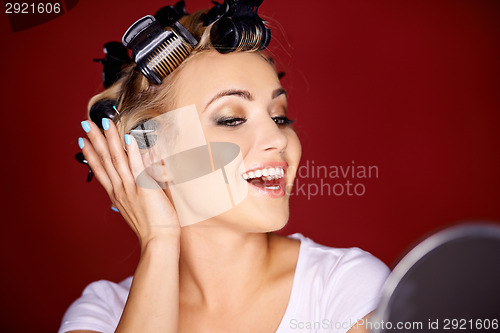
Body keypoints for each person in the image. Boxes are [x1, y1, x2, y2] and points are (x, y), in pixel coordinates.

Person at [60, 1, 390, 332]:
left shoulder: (348, 289)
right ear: (154, 156)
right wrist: (158, 243)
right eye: (231, 119)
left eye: (279, 116)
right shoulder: (103, 313)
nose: (278, 137)